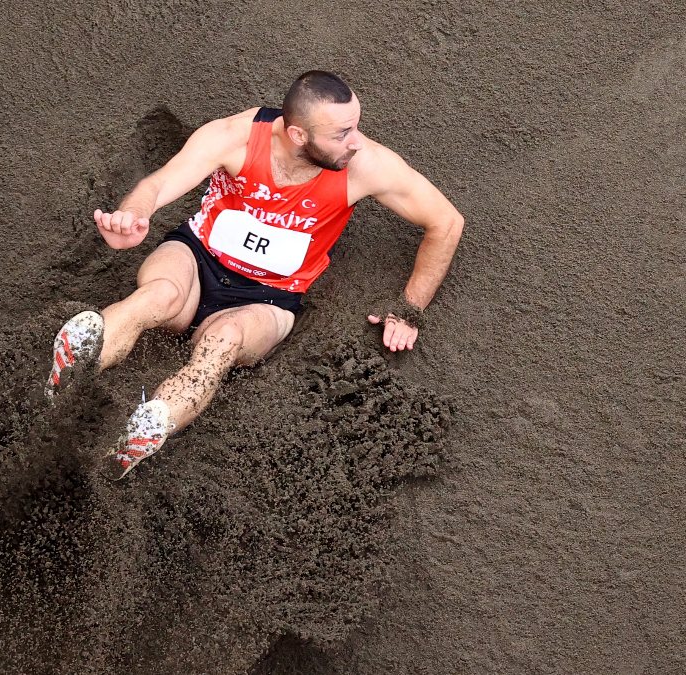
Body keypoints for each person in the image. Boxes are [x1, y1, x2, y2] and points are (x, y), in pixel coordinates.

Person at [45, 70, 464, 479]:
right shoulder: (236, 136)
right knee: (157, 297)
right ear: (298, 135)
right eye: (341, 134)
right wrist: (134, 215)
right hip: (196, 258)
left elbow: (445, 222)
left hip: (269, 298)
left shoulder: (365, 165)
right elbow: (159, 183)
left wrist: (410, 309)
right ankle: (67, 378)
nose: (355, 142)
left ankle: (146, 432)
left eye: (355, 126)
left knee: (223, 341)